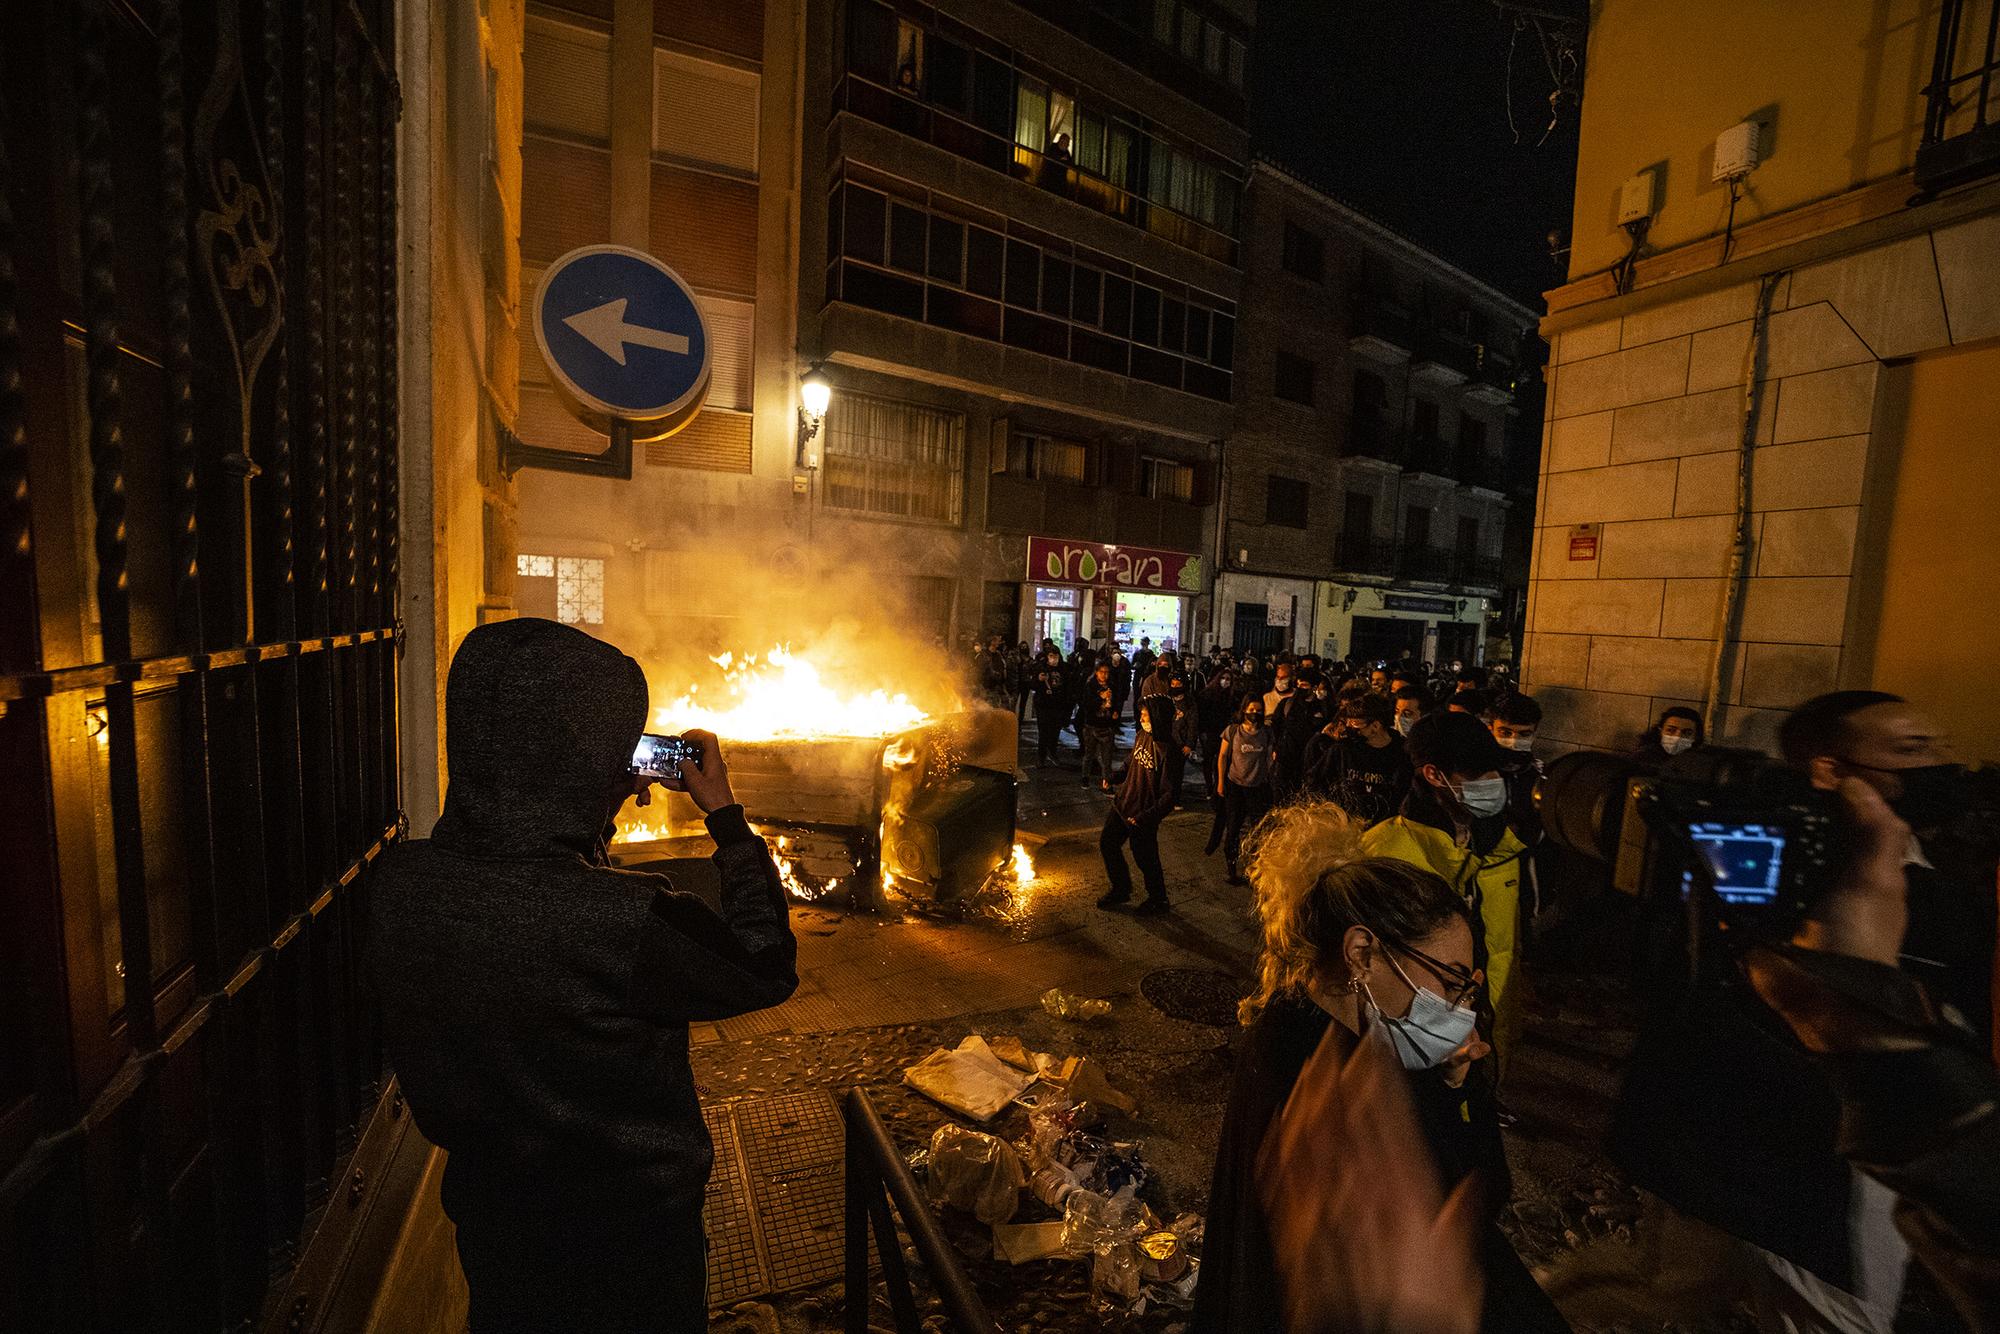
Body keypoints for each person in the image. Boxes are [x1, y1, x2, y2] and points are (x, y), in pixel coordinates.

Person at [369, 619, 797, 1334]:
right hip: (631, 1247)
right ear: (582, 755)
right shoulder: (621, 921)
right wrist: (725, 818)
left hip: (494, 1223)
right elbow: (764, 965)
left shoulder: (400, 885)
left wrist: (584, 819)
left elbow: (522, 881)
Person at [1191, 803, 1569, 1334]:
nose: (1460, 1005)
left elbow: (1481, 1190)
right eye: (1450, 979)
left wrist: (1458, 1084)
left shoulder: (1373, 1034)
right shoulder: (1320, 1077)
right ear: (1362, 953)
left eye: (1469, 985)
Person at [1362, 713, 1529, 1075]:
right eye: (1476, 776)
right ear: (1434, 776)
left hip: (1485, 1042)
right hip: (1412, 1059)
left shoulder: (1503, 847)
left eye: (1494, 773)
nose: (1492, 784)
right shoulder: (1385, 855)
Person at [1098, 696, 1178, 915]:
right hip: (1123, 805)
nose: (1141, 718)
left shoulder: (1169, 751)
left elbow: (1169, 796)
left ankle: (1159, 899)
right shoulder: (1143, 735)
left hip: (1142, 816)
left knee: (1146, 858)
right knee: (1108, 844)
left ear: (1158, 717)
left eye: (1146, 714)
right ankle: (1121, 888)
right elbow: (1130, 762)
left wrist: (1145, 817)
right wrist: (1114, 777)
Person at [1306, 692, 1413, 825]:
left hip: (1384, 830)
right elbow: (1315, 780)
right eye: (1348, 722)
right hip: (1344, 827)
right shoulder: (1342, 750)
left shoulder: (1402, 754)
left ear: (1375, 726)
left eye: (1355, 724)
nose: (1349, 728)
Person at [1211, 696, 1275, 884]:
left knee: (1259, 829)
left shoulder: (1267, 733)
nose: (1254, 714)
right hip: (1235, 786)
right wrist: (1220, 782)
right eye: (1251, 710)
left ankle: (1256, 867)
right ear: (1244, 710)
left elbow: (1270, 759)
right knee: (1233, 828)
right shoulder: (1232, 731)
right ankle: (1232, 868)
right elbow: (1222, 756)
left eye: (1258, 710)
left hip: (1258, 787)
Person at [1077, 660, 1119, 790]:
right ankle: (1085, 777)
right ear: (1096, 673)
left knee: (1107, 757)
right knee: (1089, 754)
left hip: (1106, 725)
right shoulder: (1091, 686)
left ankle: (1107, 782)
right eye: (1102, 672)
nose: (1104, 675)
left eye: (1107, 672)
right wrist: (1100, 698)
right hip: (1092, 725)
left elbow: (1116, 702)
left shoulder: (1112, 685)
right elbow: (1087, 705)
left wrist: (1115, 712)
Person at [1029, 648, 1069, 767]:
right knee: (1043, 732)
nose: (1053, 658)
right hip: (1043, 704)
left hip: (1057, 704)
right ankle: (1041, 756)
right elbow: (1033, 685)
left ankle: (1052, 753)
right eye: (1051, 655)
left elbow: (1067, 686)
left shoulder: (1063, 669)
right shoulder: (1041, 668)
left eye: (1055, 655)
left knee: (1055, 731)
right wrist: (1038, 680)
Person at [1631, 705, 1705, 766]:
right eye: (1670, 730)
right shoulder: (1642, 759)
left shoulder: (1702, 764)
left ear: (1696, 736)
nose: (1677, 737)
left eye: (1687, 733)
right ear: (1660, 731)